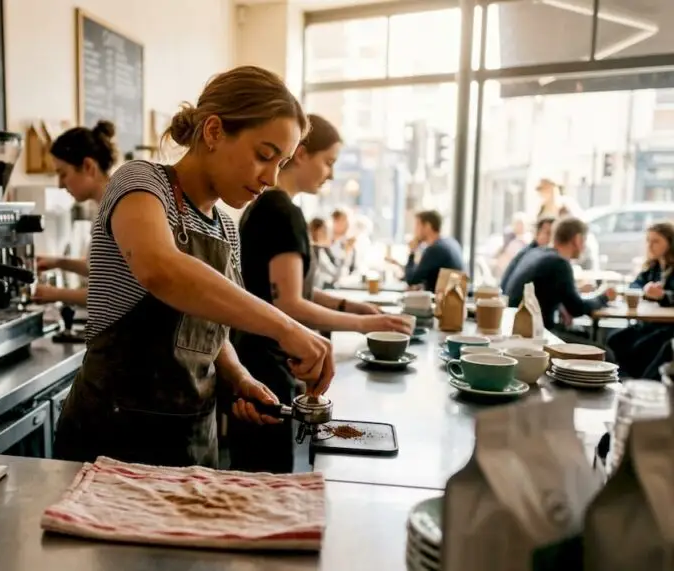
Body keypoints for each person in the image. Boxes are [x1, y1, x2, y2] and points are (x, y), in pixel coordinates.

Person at [53, 66, 334, 468]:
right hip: (112, 442)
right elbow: (161, 270)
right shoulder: (141, 183)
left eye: (282, 162)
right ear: (215, 132)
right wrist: (285, 326)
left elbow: (208, 333)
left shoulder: (226, 230)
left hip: (192, 446)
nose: (271, 177)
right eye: (264, 155)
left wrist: (239, 379)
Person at [228, 114, 412, 473]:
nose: (330, 174)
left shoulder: (262, 206)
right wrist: (363, 323)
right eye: (327, 162)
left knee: (252, 469)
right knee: (268, 476)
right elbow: (289, 303)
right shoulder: (284, 212)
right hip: (268, 362)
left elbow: (295, 290)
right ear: (300, 154)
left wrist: (349, 305)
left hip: (251, 352)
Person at [33, 121, 118, 306]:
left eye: (63, 174)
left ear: (88, 166)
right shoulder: (106, 208)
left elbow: (116, 295)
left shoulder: (117, 212)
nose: (60, 185)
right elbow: (102, 270)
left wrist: (54, 293)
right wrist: (58, 262)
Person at [502, 217, 616, 343]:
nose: (584, 247)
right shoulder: (559, 263)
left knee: (581, 334)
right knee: (607, 354)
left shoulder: (537, 252)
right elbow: (576, 308)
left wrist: (577, 289)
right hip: (537, 336)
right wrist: (604, 297)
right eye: (584, 240)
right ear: (577, 240)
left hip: (515, 329)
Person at [606, 222, 674, 379]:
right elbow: (634, 285)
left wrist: (663, 296)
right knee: (615, 339)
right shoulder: (653, 267)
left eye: (656, 241)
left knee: (640, 347)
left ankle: (637, 384)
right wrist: (644, 290)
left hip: (667, 327)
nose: (650, 246)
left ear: (670, 243)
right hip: (647, 323)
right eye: (648, 241)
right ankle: (622, 380)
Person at [404, 210, 464, 292]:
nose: (414, 231)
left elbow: (412, 280)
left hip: (439, 302)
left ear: (428, 226)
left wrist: (412, 252)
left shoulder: (435, 249)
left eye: (417, 225)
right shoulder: (451, 242)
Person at [499, 217, 554, 293]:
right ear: (537, 234)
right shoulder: (534, 256)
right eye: (548, 233)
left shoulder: (531, 252)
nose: (552, 238)